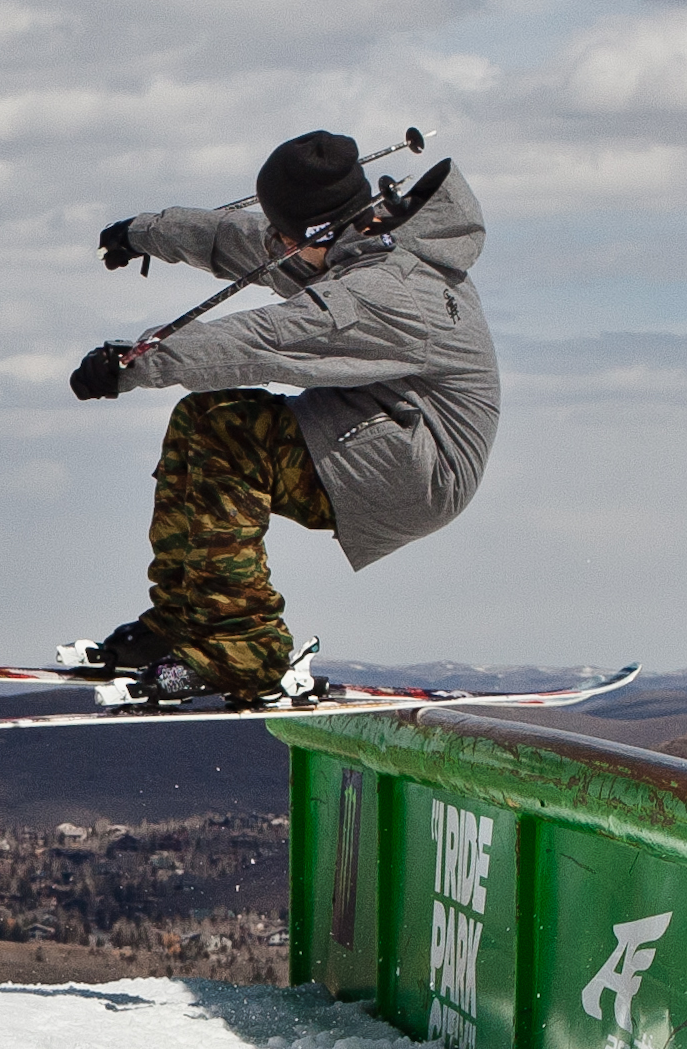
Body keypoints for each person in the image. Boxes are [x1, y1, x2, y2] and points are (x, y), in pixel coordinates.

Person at [59, 130, 500, 708]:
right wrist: (143, 233)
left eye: (284, 236)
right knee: (203, 418)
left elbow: (263, 341)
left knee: (232, 432)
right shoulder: (350, 238)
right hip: (380, 427)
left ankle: (244, 649)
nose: (274, 244)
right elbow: (242, 242)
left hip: (422, 467)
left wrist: (135, 364)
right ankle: (185, 618)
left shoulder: (384, 292)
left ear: (318, 231)